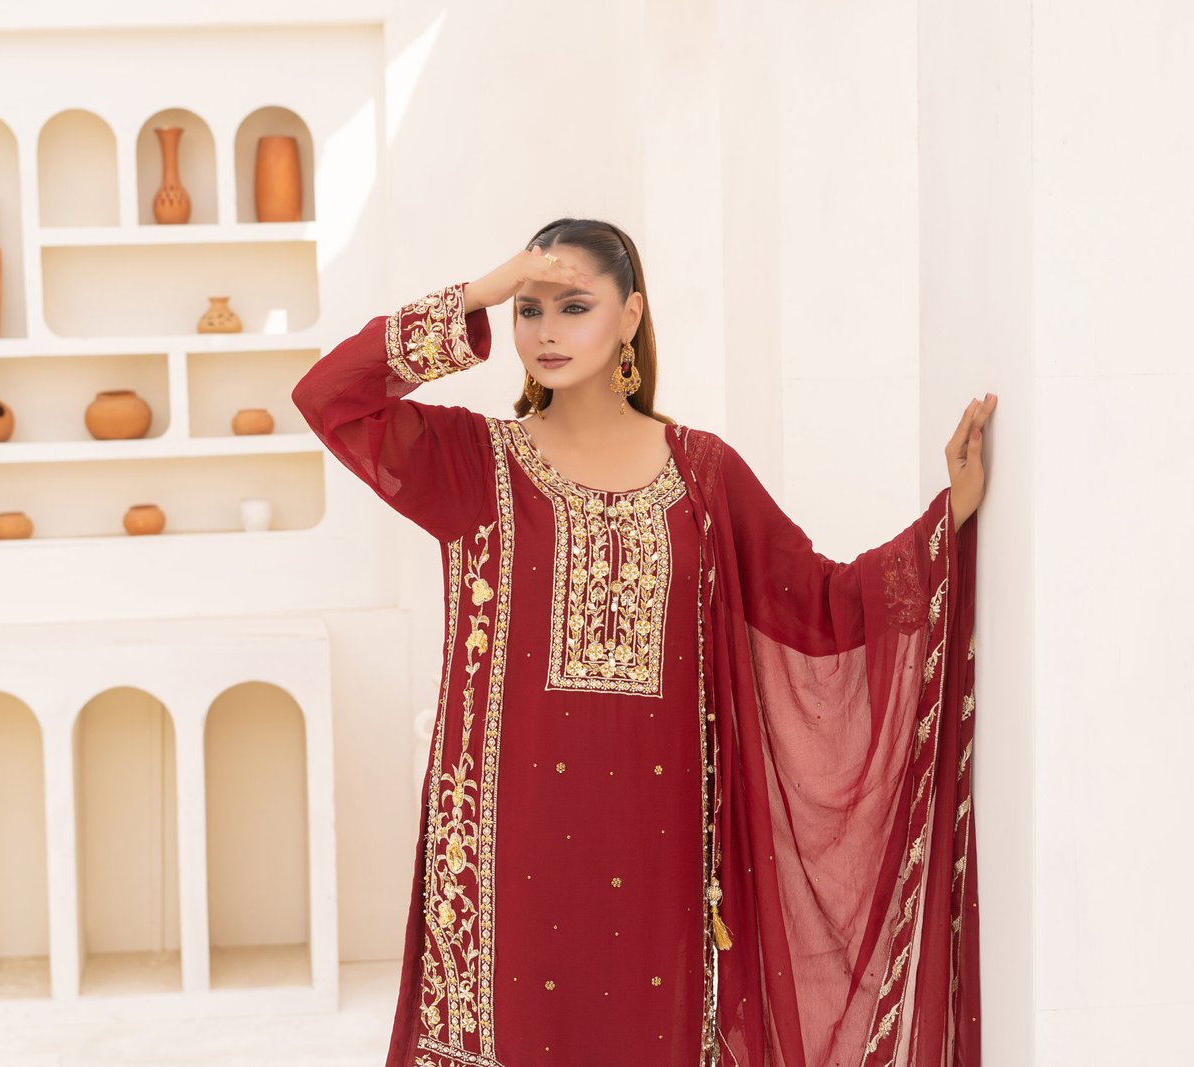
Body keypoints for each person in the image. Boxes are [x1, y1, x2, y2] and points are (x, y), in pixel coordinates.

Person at [291, 217, 993, 1066]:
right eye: (529, 309)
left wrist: (945, 520)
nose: (546, 331)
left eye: (574, 306)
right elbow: (328, 397)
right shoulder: (476, 464)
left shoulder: (704, 476)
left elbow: (820, 603)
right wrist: (476, 295)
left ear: (629, 316)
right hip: (505, 859)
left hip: (658, 850)